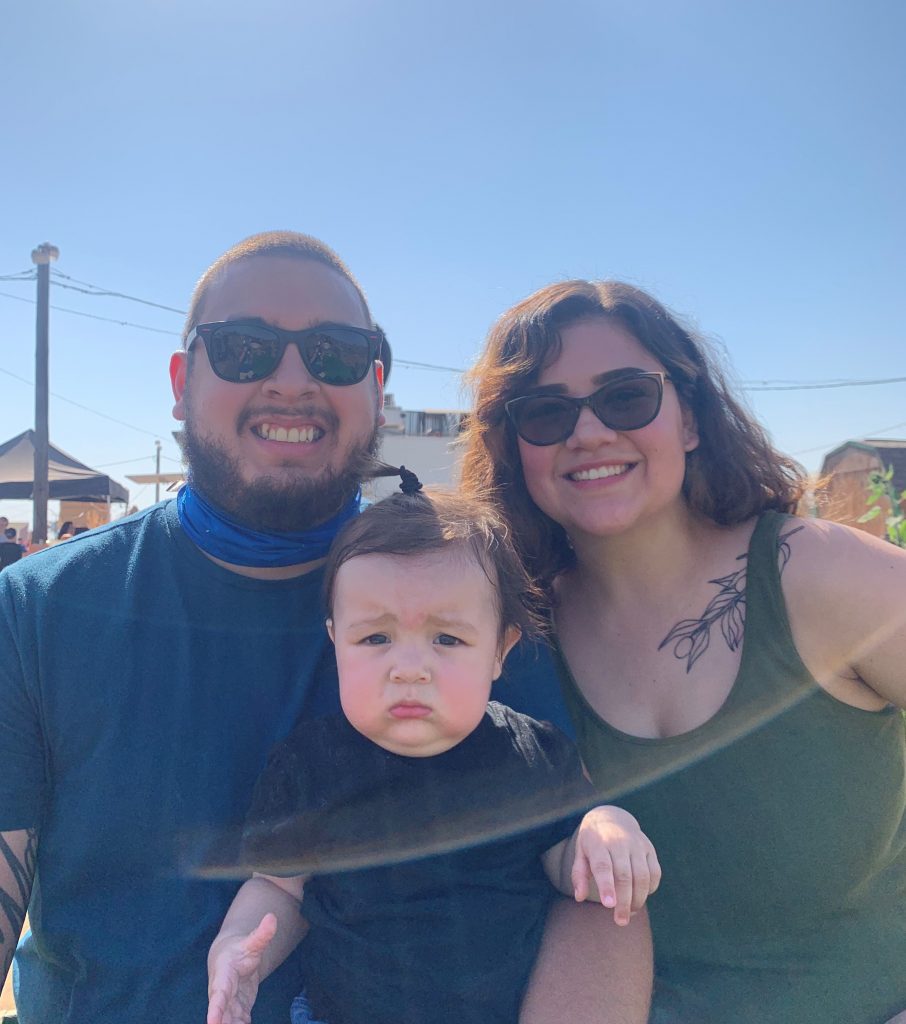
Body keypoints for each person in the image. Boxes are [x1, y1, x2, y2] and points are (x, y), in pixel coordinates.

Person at [0, 236, 652, 1024]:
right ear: (182, 382)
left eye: (335, 355)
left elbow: (588, 886)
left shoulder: (469, 595)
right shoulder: (38, 608)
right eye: (245, 349)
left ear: (377, 387)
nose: (291, 380)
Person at [460, 279, 906, 1024]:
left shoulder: (820, 575)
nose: (589, 433)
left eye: (626, 396)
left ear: (691, 418)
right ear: (514, 451)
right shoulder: (512, 642)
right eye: (545, 413)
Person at [207, 487, 661, 1024]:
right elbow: (278, 888)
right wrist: (237, 951)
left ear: (500, 651)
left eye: (447, 639)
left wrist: (607, 826)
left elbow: (568, 867)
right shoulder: (310, 765)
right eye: (376, 639)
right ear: (335, 643)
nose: (409, 668)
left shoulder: (531, 755)